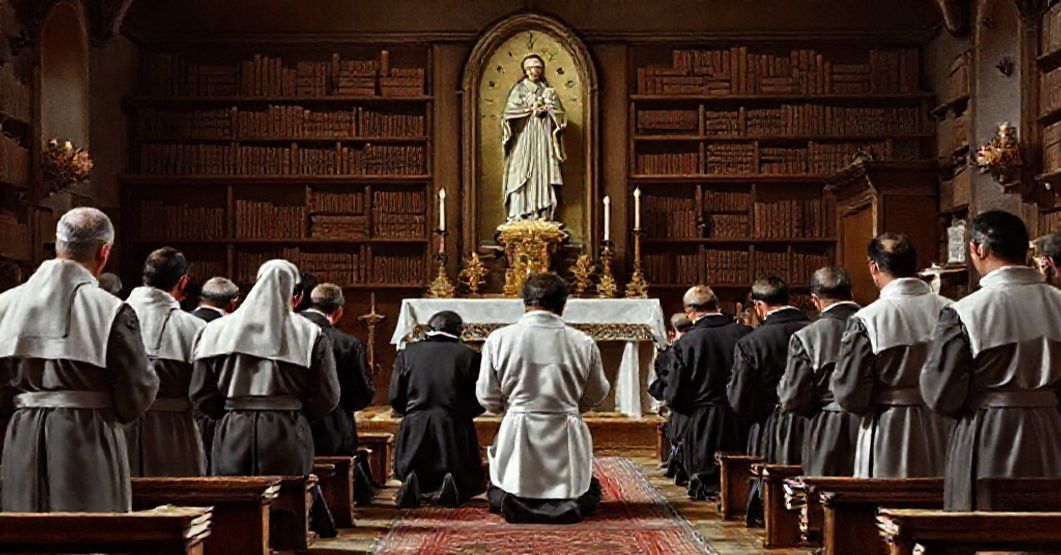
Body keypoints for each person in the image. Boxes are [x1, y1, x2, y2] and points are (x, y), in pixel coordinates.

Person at [0, 207, 158, 512]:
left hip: (22, 436)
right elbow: (136, 391)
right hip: (88, 436)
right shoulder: (111, 310)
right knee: (90, 525)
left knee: (25, 523)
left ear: (59, 245)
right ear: (104, 252)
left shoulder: (6, 304)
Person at [922, 211, 1061, 510]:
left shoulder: (965, 312)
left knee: (984, 519)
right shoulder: (1057, 302)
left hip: (987, 432)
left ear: (978, 249)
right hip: (1051, 431)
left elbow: (942, 394)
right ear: (1026, 251)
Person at [477, 273, 609, 524]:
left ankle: (513, 502)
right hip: (565, 430)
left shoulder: (499, 339)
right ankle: (567, 504)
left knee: (499, 486)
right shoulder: (582, 342)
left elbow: (486, 396)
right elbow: (598, 391)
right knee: (588, 490)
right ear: (563, 304)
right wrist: (571, 407)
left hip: (518, 429)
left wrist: (510, 408)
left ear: (525, 302)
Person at [191, 259, 340, 476]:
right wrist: (298, 413)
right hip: (287, 433)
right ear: (295, 294)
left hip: (234, 431)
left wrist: (230, 411)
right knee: (287, 494)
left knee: (233, 493)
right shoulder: (310, 334)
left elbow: (200, 391)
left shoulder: (216, 331)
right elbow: (328, 395)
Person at [832, 233, 952, 478]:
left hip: (886, 427)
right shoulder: (951, 309)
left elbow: (850, 393)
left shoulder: (867, 319)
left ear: (873, 267)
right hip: (942, 425)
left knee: (886, 495)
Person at [124, 247, 207, 477]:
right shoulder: (194, 327)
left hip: (122, 428)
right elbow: (202, 390)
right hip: (173, 433)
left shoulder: (112, 316)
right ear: (183, 282)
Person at [390, 310, 484, 508]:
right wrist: (465, 415)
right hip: (453, 426)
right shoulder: (469, 355)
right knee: (463, 471)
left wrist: (410, 412)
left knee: (413, 461)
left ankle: (413, 479)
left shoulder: (407, 353)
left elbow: (395, 397)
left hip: (415, 424)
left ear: (430, 328)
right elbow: (479, 399)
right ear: (459, 331)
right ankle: (452, 483)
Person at [663, 287, 749, 499]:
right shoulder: (745, 333)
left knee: (706, 483)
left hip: (702, 421)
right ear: (717, 306)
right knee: (740, 479)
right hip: (741, 418)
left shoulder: (686, 343)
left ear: (689, 312)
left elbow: (675, 394)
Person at [775, 267, 861, 475]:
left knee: (827, 491)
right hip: (874, 425)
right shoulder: (873, 321)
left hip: (829, 430)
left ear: (814, 299)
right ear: (851, 293)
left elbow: (792, 397)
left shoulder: (808, 335)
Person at [299, 283, 377, 504]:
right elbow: (362, 393)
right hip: (334, 428)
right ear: (339, 312)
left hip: (293, 424)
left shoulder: (286, 334)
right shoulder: (347, 343)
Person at [727, 277, 810, 460]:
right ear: (790, 299)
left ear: (758, 306)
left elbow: (738, 400)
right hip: (814, 429)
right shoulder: (814, 331)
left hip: (769, 429)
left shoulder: (751, 342)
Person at [502, 54, 567, 221]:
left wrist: (548, 110)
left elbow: (560, 116)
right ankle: (518, 211)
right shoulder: (519, 90)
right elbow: (509, 113)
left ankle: (541, 211)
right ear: (525, 70)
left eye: (537, 68)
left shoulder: (548, 91)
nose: (534, 71)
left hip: (543, 138)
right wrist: (528, 110)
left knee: (542, 171)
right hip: (523, 137)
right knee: (520, 171)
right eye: (530, 68)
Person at [647, 312, 693, 477]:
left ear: (672, 333)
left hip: (682, 404)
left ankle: (675, 460)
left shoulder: (671, 352)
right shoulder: (694, 343)